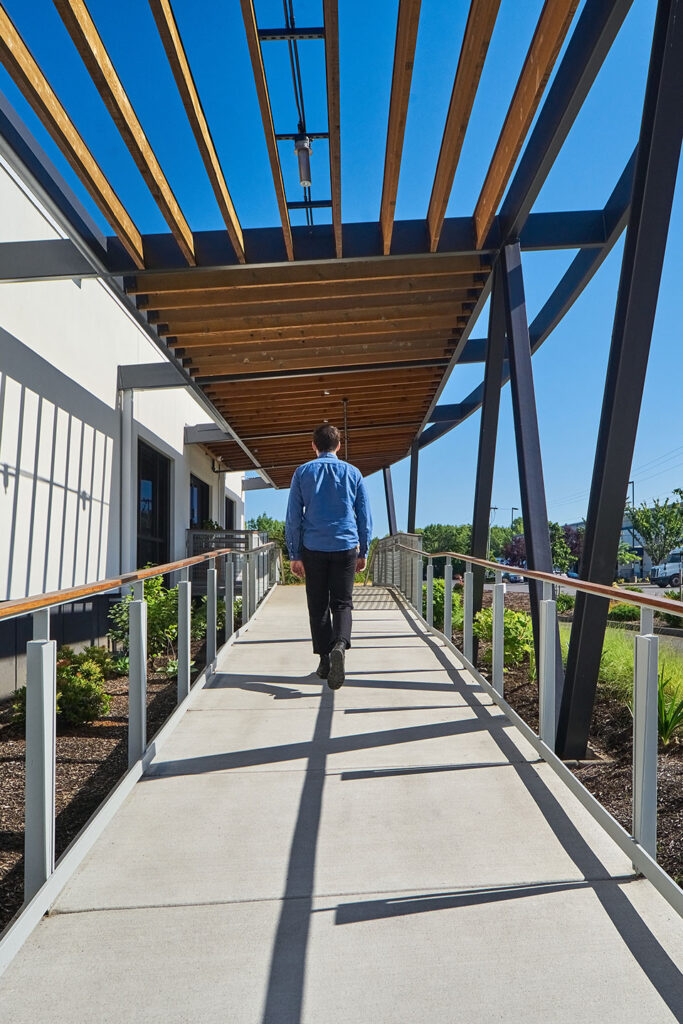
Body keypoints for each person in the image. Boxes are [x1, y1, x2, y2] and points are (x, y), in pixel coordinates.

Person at [285, 423, 372, 690]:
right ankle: (340, 646)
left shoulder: (302, 473)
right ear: (338, 445)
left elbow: (293, 518)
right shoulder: (353, 472)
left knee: (318, 604)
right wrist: (364, 548)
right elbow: (364, 516)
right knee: (343, 603)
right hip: (346, 546)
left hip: (314, 548)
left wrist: (294, 553)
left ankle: (325, 660)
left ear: (313, 446)